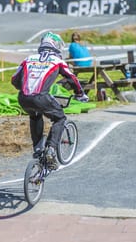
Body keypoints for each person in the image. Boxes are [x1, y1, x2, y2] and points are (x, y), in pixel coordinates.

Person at [11, 32, 88, 169]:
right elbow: (72, 79)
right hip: (41, 97)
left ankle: (38, 149)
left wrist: (23, 88)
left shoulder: (28, 59)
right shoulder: (57, 61)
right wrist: (80, 93)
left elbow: (14, 79)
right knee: (59, 118)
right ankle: (51, 149)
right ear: (56, 46)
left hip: (23, 98)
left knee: (34, 115)